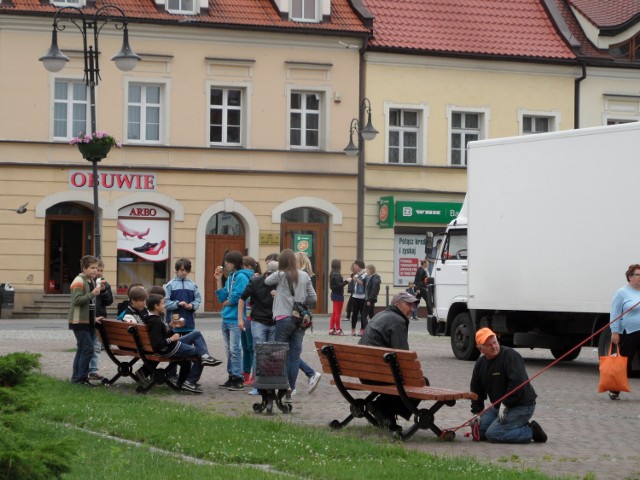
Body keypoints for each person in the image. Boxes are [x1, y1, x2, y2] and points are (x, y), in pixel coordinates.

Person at [470, 327, 547, 443]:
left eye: (495, 342)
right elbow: (476, 390)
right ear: (480, 349)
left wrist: (505, 403)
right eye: (489, 345)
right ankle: (513, 425)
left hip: (521, 406)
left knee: (493, 434)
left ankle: (531, 431)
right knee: (479, 433)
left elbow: (518, 384)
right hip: (499, 407)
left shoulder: (511, 356)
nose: (494, 346)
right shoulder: (480, 364)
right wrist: (477, 413)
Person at [358, 291, 421, 431]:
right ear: (396, 304)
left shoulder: (381, 315)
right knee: (420, 383)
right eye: (408, 304)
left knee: (402, 378)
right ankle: (383, 409)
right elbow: (403, 356)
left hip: (364, 373)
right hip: (379, 375)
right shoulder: (397, 321)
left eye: (413, 305)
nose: (412, 308)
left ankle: (384, 411)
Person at [265, 249, 317, 401]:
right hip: (300, 319)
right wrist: (301, 304)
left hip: (283, 317)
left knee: (279, 352)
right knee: (294, 355)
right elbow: (313, 298)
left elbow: (267, 281)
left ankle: (281, 385)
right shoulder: (304, 275)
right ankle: (291, 388)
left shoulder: (280, 274)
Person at [143, 293, 221, 394]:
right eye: (163, 303)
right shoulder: (155, 322)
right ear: (156, 306)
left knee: (196, 334)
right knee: (199, 354)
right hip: (170, 348)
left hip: (171, 346)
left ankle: (204, 358)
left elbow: (160, 334)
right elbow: (157, 344)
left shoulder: (152, 318)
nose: (165, 305)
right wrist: (172, 338)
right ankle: (190, 382)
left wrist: (171, 326)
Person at [215, 250, 253, 391]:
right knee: (229, 350)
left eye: (228, 262)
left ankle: (238, 378)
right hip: (226, 317)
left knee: (235, 349)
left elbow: (238, 296)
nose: (226, 264)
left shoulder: (242, 277)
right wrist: (219, 280)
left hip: (235, 319)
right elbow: (222, 296)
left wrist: (227, 302)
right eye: (225, 261)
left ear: (235, 263)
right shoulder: (231, 277)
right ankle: (232, 376)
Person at [239, 259, 278, 395]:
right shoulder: (256, 281)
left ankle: (270, 384)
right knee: (259, 352)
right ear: (267, 272)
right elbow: (242, 298)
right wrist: (240, 319)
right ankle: (258, 385)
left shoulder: (280, 283)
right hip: (258, 321)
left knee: (272, 353)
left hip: (274, 321)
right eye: (270, 274)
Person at [67, 255, 103, 386]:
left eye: (96, 268)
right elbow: (76, 301)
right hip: (78, 321)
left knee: (83, 349)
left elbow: (90, 304)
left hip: (88, 321)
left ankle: (76, 378)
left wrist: (94, 317)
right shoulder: (79, 281)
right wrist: (93, 293)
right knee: (87, 349)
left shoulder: (91, 280)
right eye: (92, 268)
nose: (95, 270)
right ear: (84, 268)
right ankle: (81, 378)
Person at [608, 263, 640, 400]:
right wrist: (615, 331)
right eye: (638, 275)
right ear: (630, 277)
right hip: (629, 332)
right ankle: (614, 390)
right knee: (625, 362)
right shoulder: (622, 293)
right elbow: (615, 312)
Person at [294, 251, 323, 394]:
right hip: (303, 316)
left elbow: (312, 297)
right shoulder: (307, 274)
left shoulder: (298, 275)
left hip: (295, 315)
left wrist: (299, 304)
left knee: (290, 351)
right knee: (292, 350)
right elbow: (312, 298)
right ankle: (308, 374)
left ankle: (308, 374)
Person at [88, 259, 113, 381]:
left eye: (101, 270)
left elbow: (109, 301)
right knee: (88, 346)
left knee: (97, 346)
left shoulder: (105, 284)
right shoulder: (88, 282)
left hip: (100, 317)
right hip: (89, 318)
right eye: (98, 270)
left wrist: (103, 291)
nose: (99, 273)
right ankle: (86, 369)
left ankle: (93, 370)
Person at [164, 258, 202, 335]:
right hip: (173, 323)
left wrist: (192, 305)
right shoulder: (170, 285)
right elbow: (165, 303)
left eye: (186, 270)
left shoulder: (193, 285)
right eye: (182, 270)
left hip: (188, 323)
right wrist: (178, 304)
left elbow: (198, 299)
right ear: (177, 270)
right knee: (175, 346)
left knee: (188, 346)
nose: (184, 272)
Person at [239, 256, 260, 387]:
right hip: (246, 317)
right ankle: (246, 373)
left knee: (251, 348)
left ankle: (252, 374)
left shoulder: (255, 278)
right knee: (246, 347)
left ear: (245, 266)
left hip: (252, 317)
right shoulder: (247, 277)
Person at [329, 259, 348, 335]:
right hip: (338, 295)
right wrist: (346, 282)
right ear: (338, 265)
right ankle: (338, 329)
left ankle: (331, 329)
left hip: (334, 294)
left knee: (334, 312)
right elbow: (339, 286)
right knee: (338, 313)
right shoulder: (337, 274)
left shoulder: (332, 273)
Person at [350, 260, 367, 336]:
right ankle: (353, 329)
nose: (354, 267)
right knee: (354, 314)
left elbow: (365, 285)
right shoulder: (355, 274)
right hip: (355, 296)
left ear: (360, 266)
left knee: (363, 314)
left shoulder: (365, 274)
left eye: (356, 266)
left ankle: (362, 329)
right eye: (354, 266)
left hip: (362, 297)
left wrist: (357, 280)